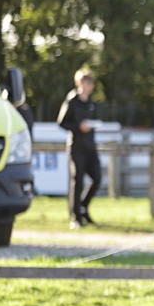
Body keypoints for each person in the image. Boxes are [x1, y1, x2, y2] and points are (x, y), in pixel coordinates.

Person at [56, 68, 101, 229]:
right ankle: (76, 217)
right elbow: (62, 123)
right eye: (88, 82)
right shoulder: (72, 101)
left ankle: (83, 207)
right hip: (77, 147)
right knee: (78, 180)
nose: (91, 86)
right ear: (80, 83)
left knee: (97, 178)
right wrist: (78, 127)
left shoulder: (91, 103)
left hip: (90, 147)